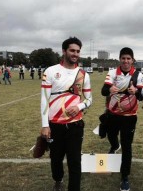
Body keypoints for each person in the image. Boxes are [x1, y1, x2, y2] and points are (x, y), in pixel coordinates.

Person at [40, 37, 92, 191]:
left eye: (77, 51)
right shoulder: (51, 71)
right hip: (54, 125)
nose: (75, 54)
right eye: (72, 50)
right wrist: (44, 125)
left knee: (75, 161)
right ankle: (58, 180)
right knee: (56, 160)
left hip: (76, 125)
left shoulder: (83, 75)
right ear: (64, 51)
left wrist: (80, 106)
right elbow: (44, 99)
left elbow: (90, 100)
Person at [101, 47, 143, 191]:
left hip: (129, 117)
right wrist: (109, 90)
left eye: (128, 58)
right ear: (120, 59)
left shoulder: (138, 75)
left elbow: (141, 96)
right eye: (123, 58)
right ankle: (114, 146)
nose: (126, 61)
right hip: (113, 115)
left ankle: (124, 177)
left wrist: (136, 91)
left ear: (132, 60)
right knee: (111, 136)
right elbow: (103, 90)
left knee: (127, 146)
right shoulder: (113, 72)